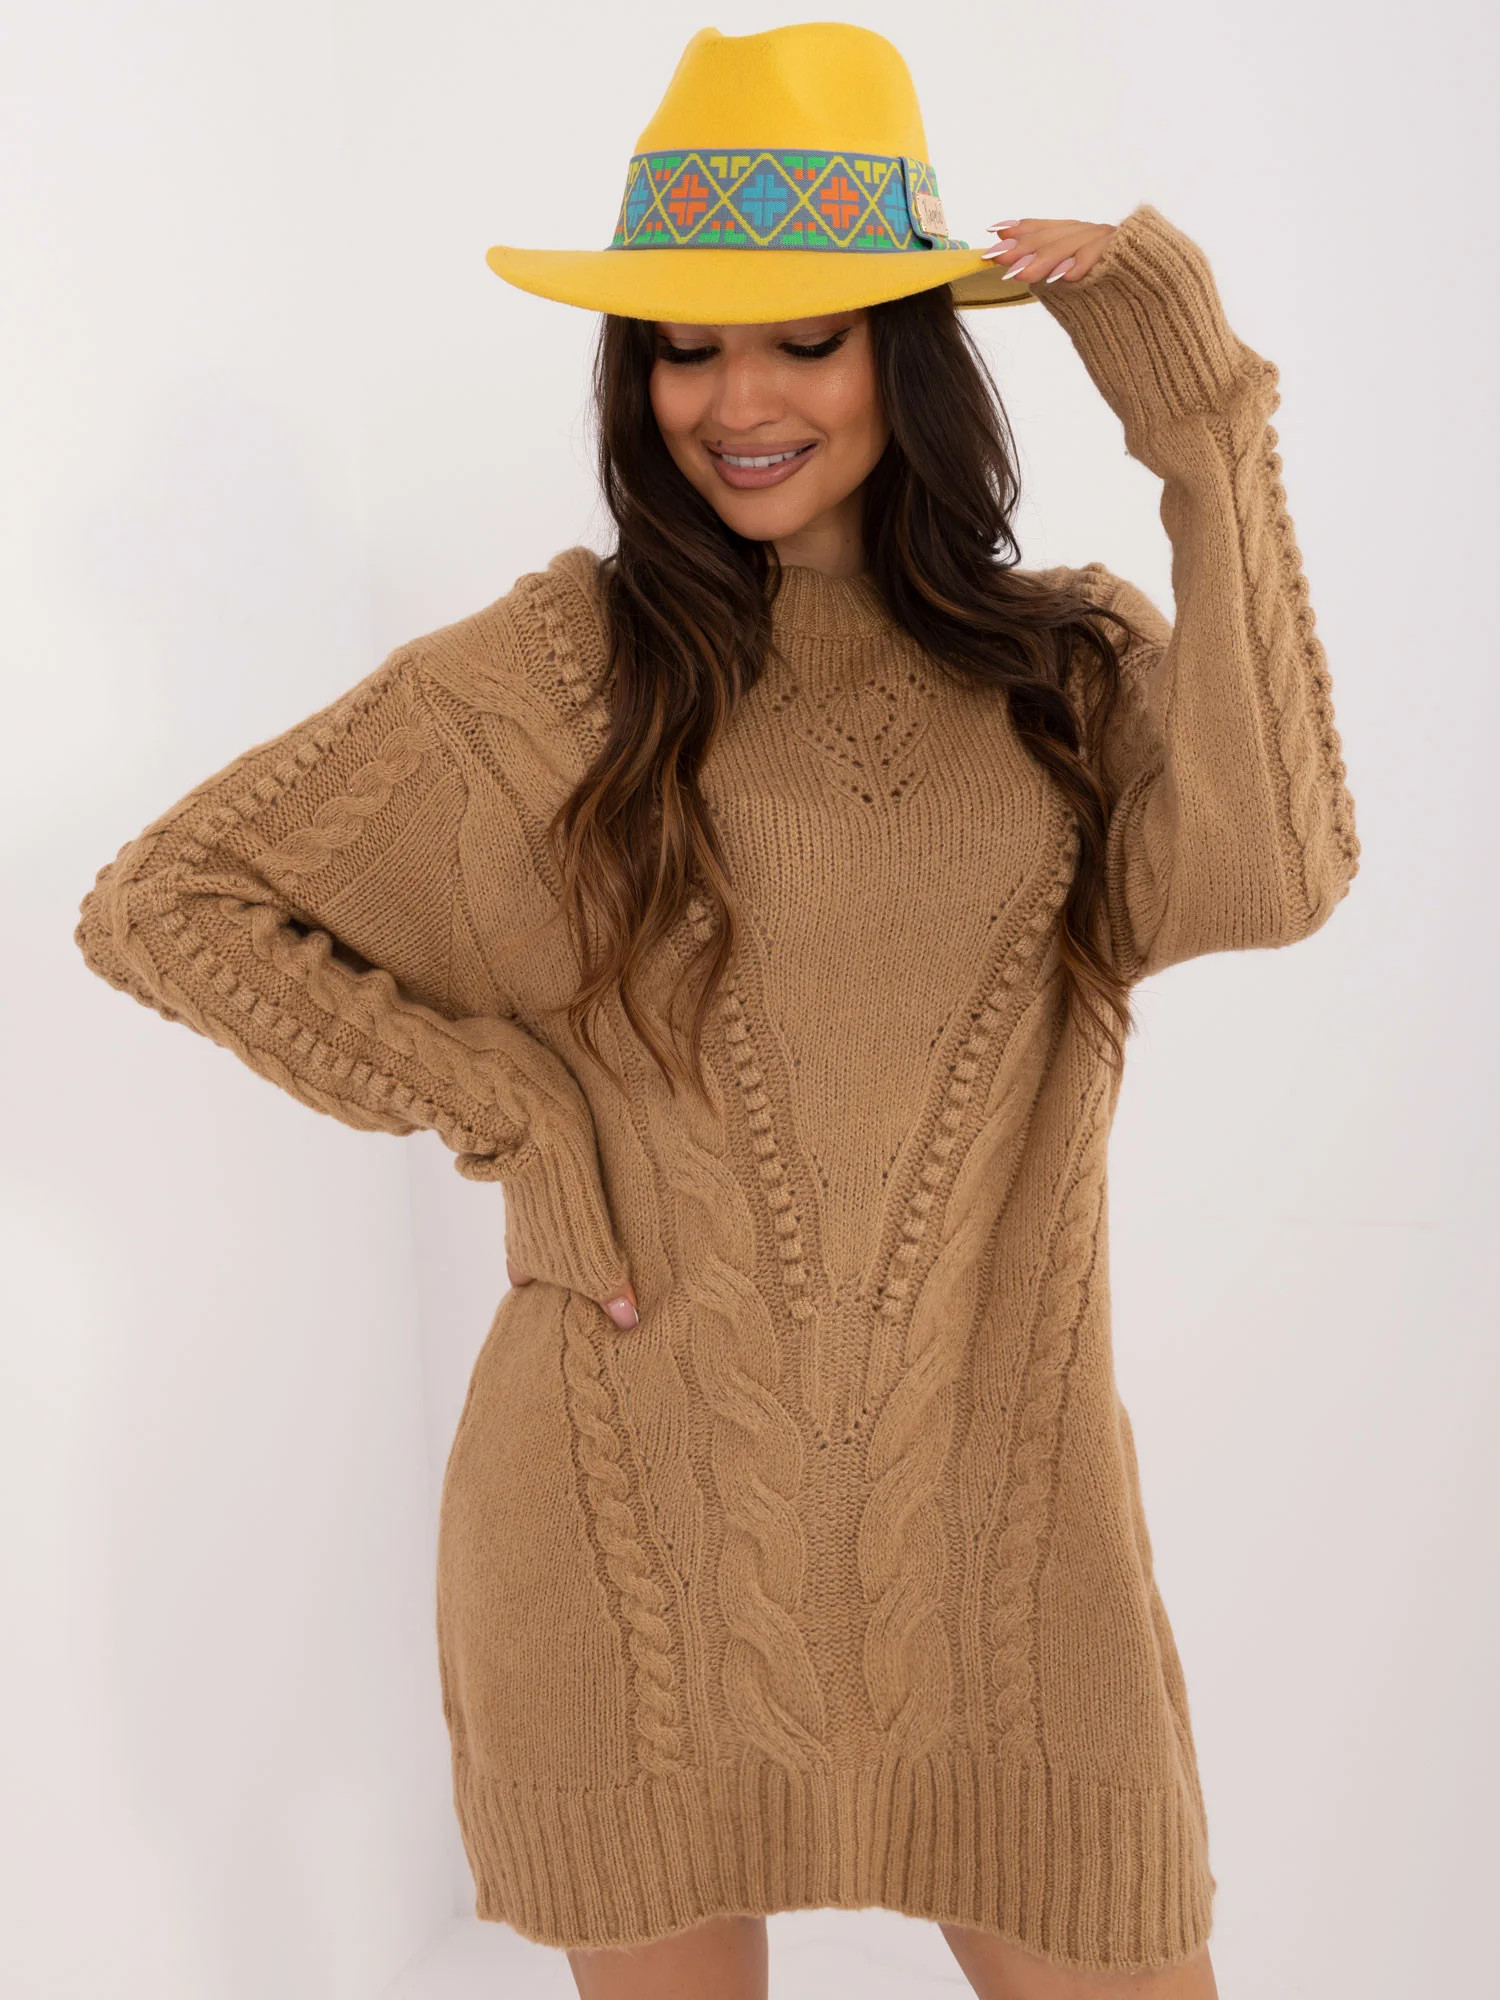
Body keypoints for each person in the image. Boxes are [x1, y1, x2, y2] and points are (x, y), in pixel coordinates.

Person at [73, 21, 1359, 2000]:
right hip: (628, 1533)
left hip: (1009, 1553)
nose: (735, 402)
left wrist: (1206, 428)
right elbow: (168, 903)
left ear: (903, 356)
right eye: (683, 348)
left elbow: (1277, 877)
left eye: (803, 340)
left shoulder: (1069, 668)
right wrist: (509, 1105)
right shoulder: (553, 675)